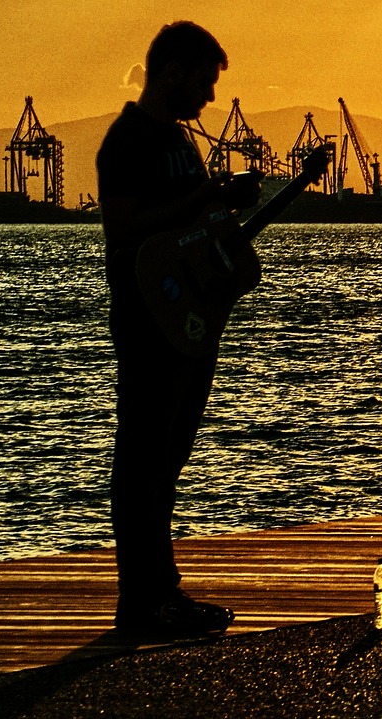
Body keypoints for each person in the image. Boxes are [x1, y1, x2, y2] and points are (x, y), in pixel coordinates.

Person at [97, 21, 259, 634]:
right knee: (142, 459)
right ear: (172, 73)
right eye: (204, 82)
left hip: (190, 322)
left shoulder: (185, 143)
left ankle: (163, 594)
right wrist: (202, 200)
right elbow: (125, 231)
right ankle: (141, 602)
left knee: (168, 461)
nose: (210, 98)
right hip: (146, 321)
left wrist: (227, 203)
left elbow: (197, 230)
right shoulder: (126, 141)